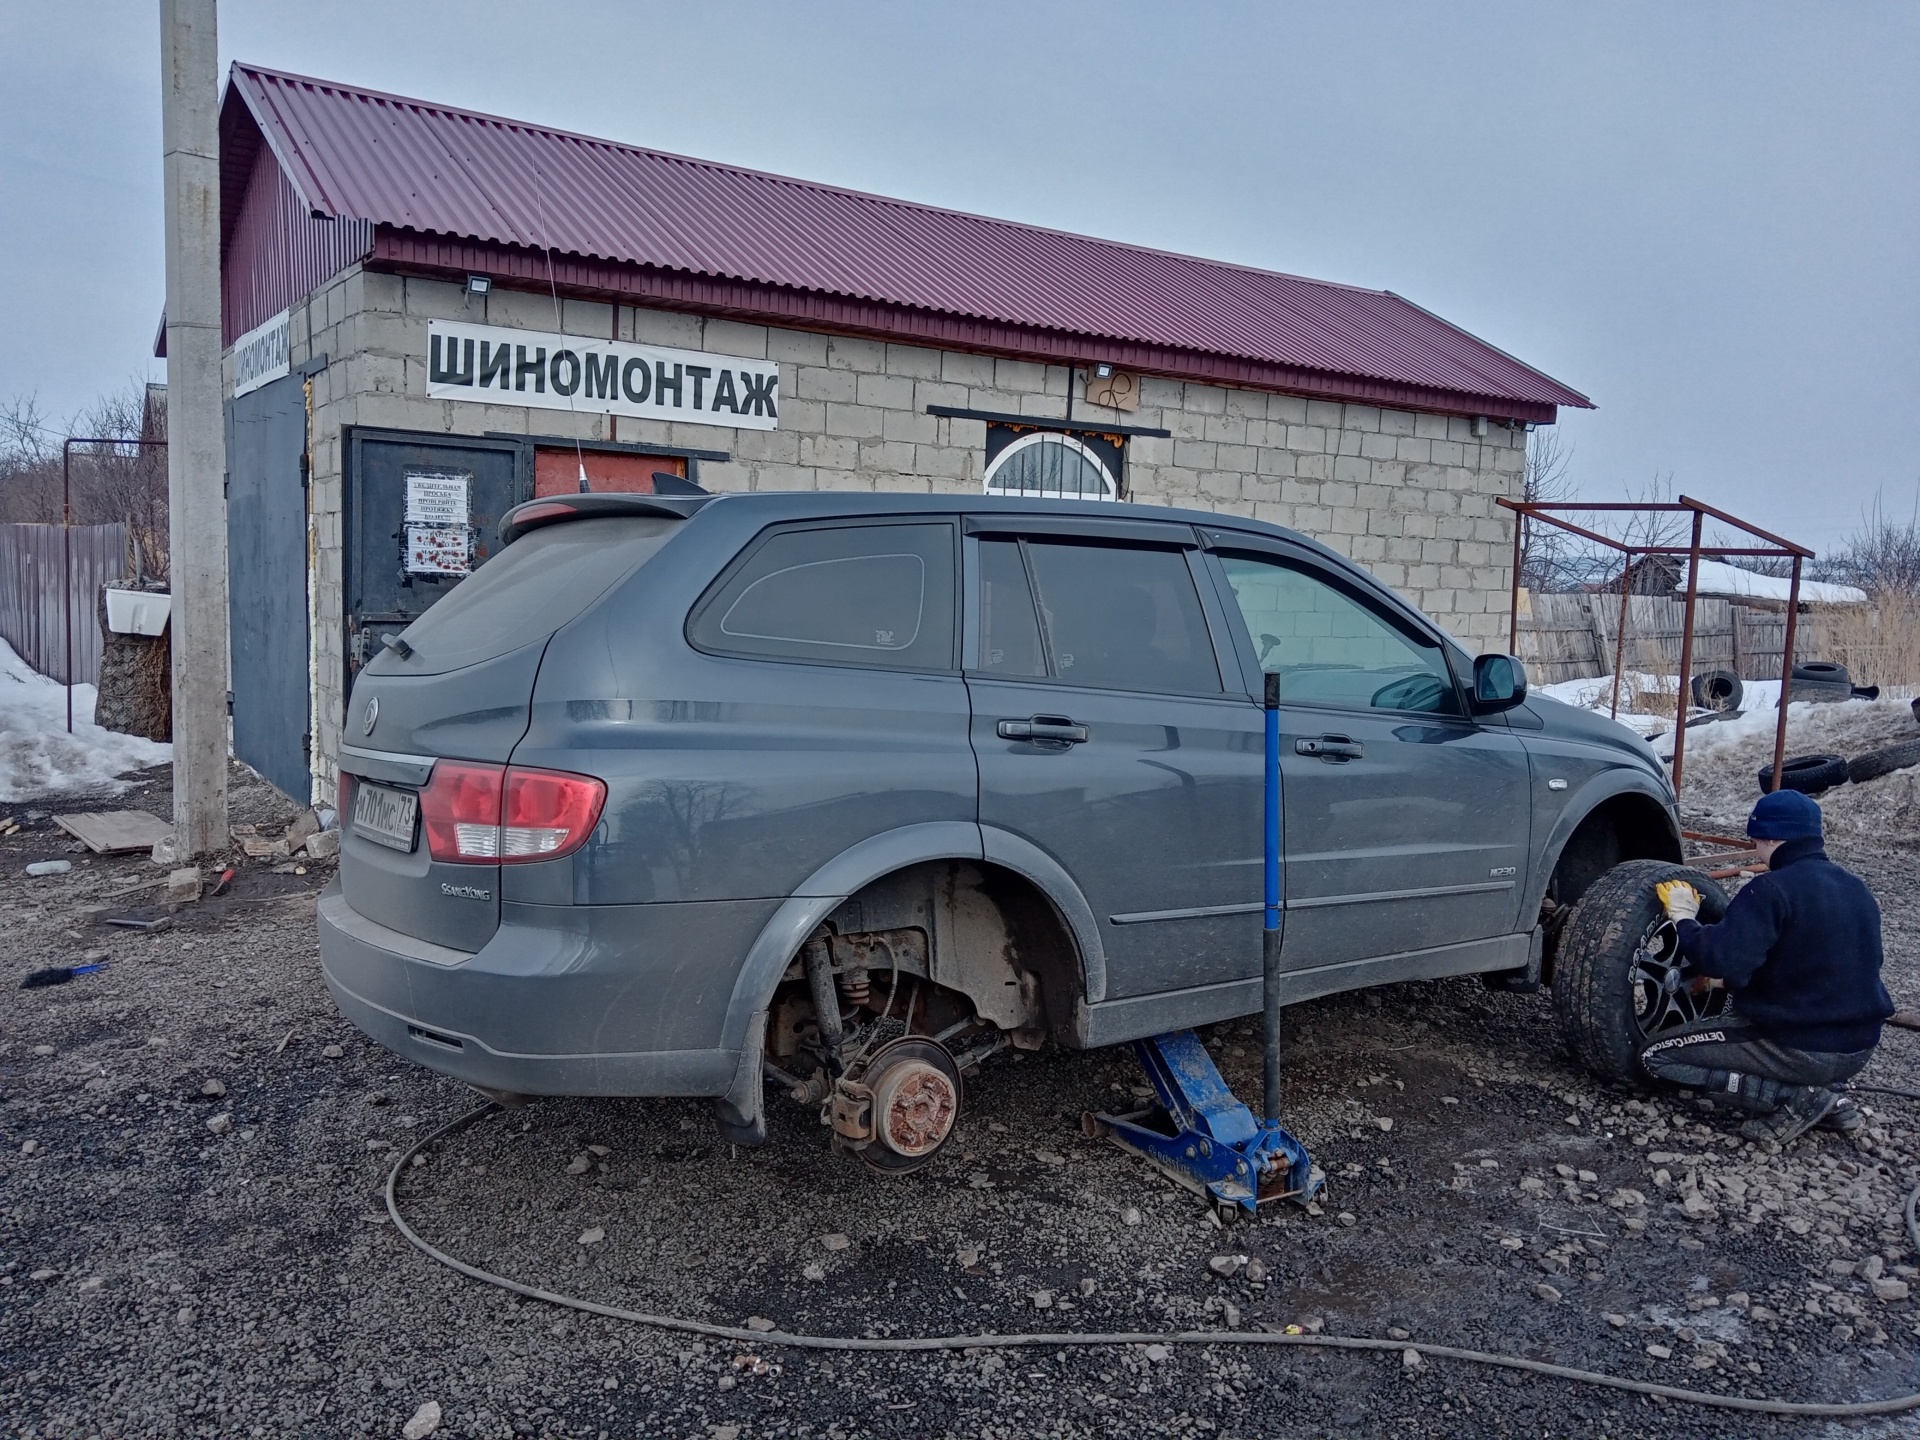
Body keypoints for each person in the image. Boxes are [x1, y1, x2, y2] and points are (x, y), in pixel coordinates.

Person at [1639, 789, 1893, 1146]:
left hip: (1801, 1047)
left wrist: (1684, 919)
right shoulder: (1856, 888)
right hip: (1859, 1047)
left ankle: (1795, 1098)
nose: (1756, 847)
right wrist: (1721, 983)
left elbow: (1720, 959)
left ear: (1770, 836)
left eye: (1756, 839)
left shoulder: (1770, 889)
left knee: (1655, 1057)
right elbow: (1813, 960)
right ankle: (1827, 1094)